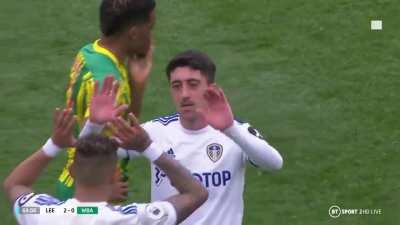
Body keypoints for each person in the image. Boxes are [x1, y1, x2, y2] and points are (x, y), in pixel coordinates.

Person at [3, 77, 208, 225]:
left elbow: (15, 184)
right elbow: (196, 193)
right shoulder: (134, 218)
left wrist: (55, 144)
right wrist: (148, 147)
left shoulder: (43, 213)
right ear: (113, 176)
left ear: (72, 171)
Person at [118, 50, 284, 225]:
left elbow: (274, 163)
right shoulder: (155, 131)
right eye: (176, 86)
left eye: (193, 84)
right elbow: (92, 154)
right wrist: (95, 124)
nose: (184, 94)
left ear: (210, 88)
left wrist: (230, 129)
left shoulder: (236, 131)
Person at [58, 0, 156, 201]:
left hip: (76, 183)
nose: (152, 37)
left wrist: (137, 84)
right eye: (150, 28)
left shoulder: (89, 52)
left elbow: (119, 129)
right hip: (89, 195)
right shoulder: (110, 84)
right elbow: (87, 149)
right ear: (134, 33)